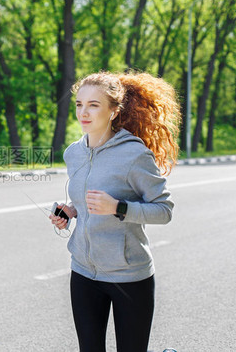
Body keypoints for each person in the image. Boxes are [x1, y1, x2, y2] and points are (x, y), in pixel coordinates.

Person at [48, 71, 181, 352]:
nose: (83, 112)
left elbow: (164, 210)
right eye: (79, 104)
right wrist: (69, 211)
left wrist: (118, 208)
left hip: (128, 276)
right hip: (84, 271)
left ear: (113, 112)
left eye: (93, 105)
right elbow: (85, 200)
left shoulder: (134, 155)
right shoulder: (74, 153)